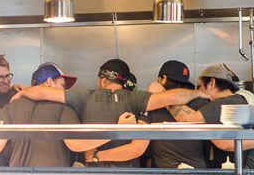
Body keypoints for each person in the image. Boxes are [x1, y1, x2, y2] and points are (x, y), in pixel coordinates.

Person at [13, 58, 209, 168]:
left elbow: (42, 92)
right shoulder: (137, 98)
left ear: (102, 79)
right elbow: (173, 98)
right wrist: (200, 92)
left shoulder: (83, 96)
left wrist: (22, 93)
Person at [163, 63, 254, 170]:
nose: (199, 92)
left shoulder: (223, 103)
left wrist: (164, 99)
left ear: (212, 83)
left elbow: (189, 119)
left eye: (199, 87)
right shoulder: (237, 99)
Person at [141, 60, 209, 169]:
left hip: (164, 174)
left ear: (163, 79)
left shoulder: (151, 104)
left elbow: (143, 146)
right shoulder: (202, 103)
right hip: (198, 173)